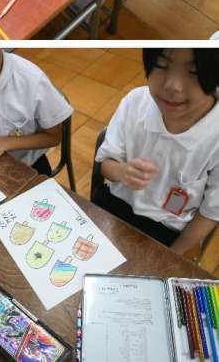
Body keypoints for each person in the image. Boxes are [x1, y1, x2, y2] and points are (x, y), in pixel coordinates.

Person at [94, 48, 219, 255]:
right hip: (114, 203)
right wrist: (121, 172)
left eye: (194, 71)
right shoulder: (136, 102)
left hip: (166, 230)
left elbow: (210, 212)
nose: (172, 86)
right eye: (161, 65)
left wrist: (171, 256)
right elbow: (106, 163)